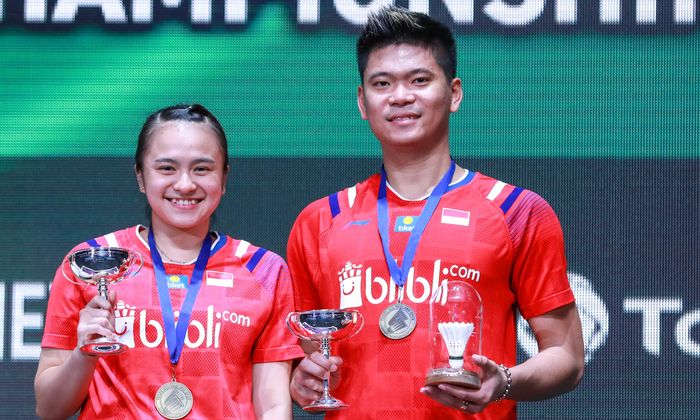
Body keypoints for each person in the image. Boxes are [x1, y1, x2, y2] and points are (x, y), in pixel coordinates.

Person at [287, 6, 584, 419]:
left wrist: (505, 382)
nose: (400, 96)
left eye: (420, 80)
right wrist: (303, 381)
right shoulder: (320, 221)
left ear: (455, 93)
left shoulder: (516, 211)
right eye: (382, 83)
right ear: (362, 101)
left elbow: (567, 357)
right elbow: (308, 366)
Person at [34, 104, 303, 419]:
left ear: (224, 177)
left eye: (202, 169)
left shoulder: (264, 270)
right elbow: (50, 409)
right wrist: (84, 354)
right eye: (167, 169)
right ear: (140, 176)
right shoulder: (92, 264)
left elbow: (273, 406)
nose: (185, 184)